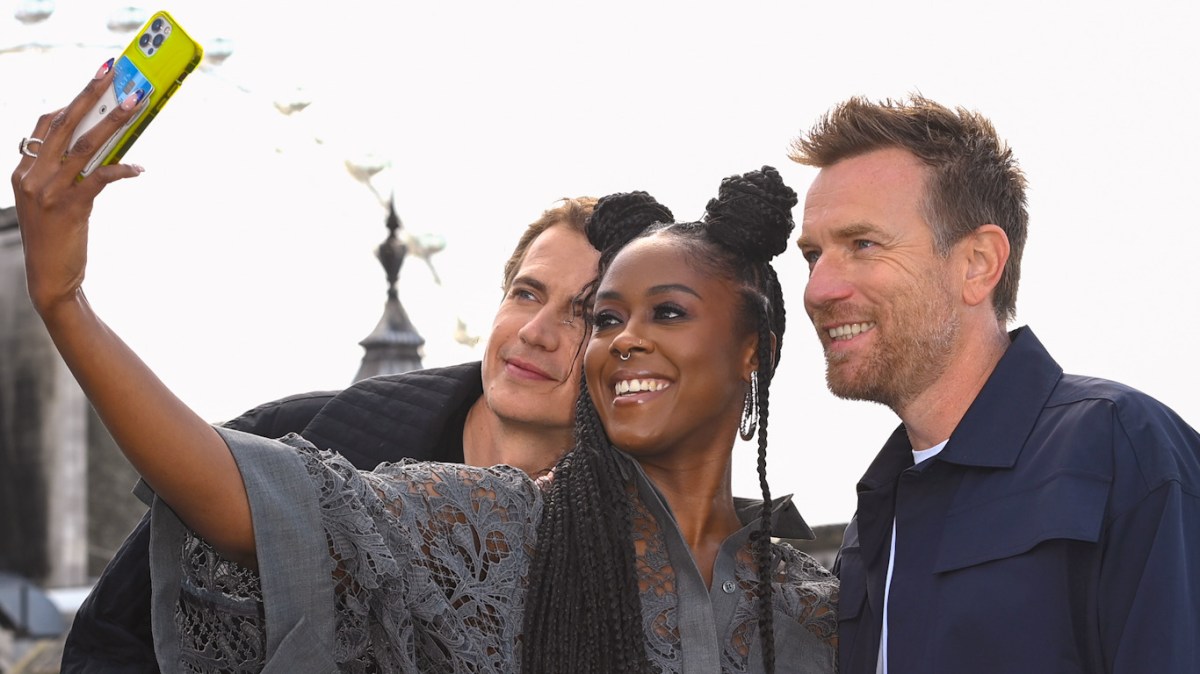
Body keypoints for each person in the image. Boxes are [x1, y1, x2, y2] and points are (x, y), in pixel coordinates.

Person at [13, 68, 836, 673]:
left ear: (752, 348)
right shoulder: (479, 523)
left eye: (663, 311)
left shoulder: (822, 603)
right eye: (609, 317)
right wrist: (65, 303)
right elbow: (247, 504)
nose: (609, 339)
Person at [60, 192, 601, 673]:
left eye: (586, 315)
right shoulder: (286, 436)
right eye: (526, 294)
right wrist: (64, 301)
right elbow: (106, 640)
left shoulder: (639, 544)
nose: (536, 332)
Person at [790, 94, 1200, 673]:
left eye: (863, 245)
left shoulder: (1121, 450)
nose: (819, 289)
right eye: (812, 255)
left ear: (979, 262)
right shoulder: (874, 521)